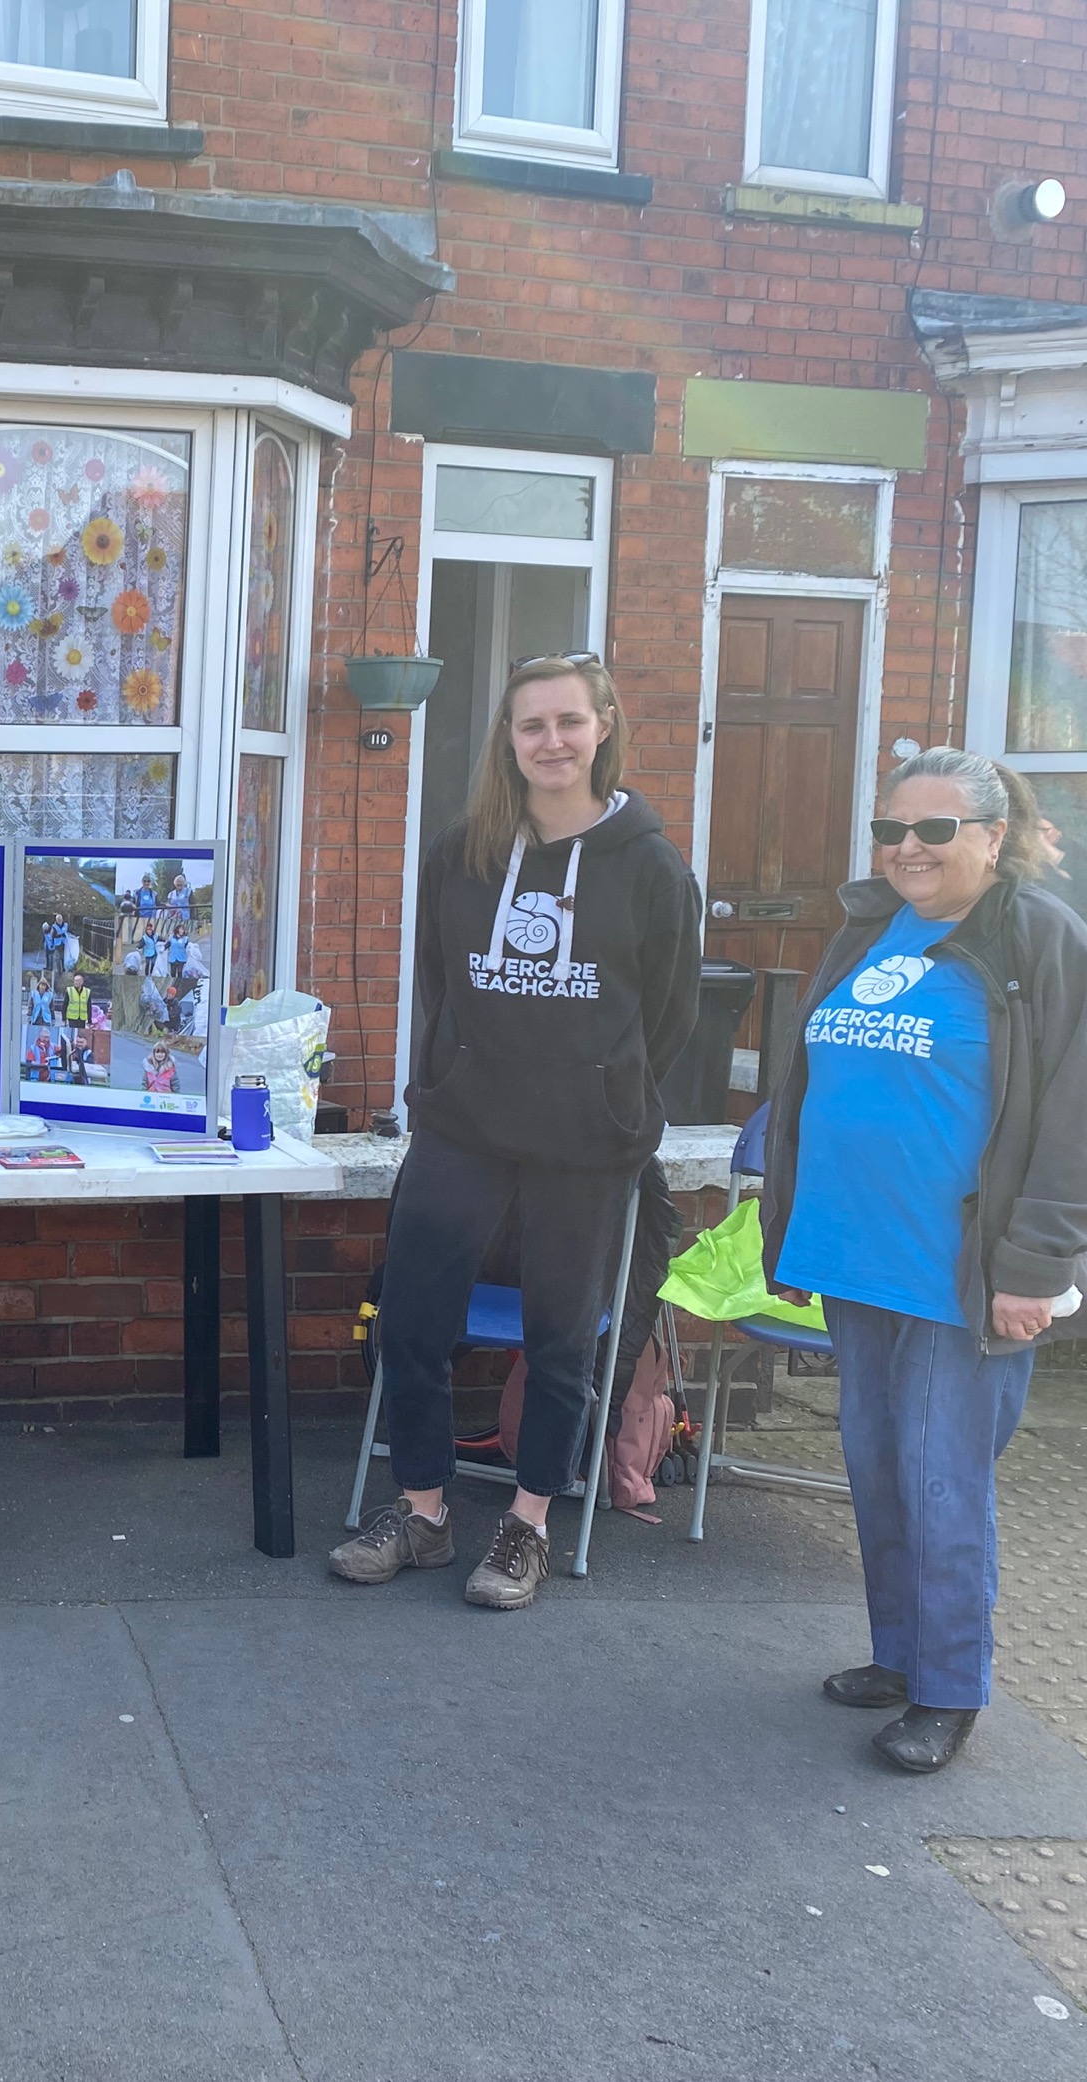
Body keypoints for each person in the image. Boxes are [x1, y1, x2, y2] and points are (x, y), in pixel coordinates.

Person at [761, 746, 1087, 1773]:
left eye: (934, 830)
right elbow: (807, 1090)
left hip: (958, 1279)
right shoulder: (869, 929)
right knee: (877, 1474)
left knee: (941, 1485)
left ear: (993, 836)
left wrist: (1037, 1265)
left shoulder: (1037, 941)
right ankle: (899, 1655)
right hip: (855, 1258)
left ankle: (949, 1688)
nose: (907, 849)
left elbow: (1085, 1117)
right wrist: (787, 1228)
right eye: (891, 830)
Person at [330, 656, 700, 1611]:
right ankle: (421, 1513)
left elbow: (667, 1014)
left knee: (562, 1341)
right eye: (531, 725)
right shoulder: (465, 851)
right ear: (508, 738)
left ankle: (528, 1525)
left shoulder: (653, 866)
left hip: (587, 1145)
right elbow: (439, 980)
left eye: (569, 722)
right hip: (465, 1130)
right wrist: (444, 1079)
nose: (551, 742)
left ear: (605, 727)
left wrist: (611, 1097)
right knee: (412, 1322)